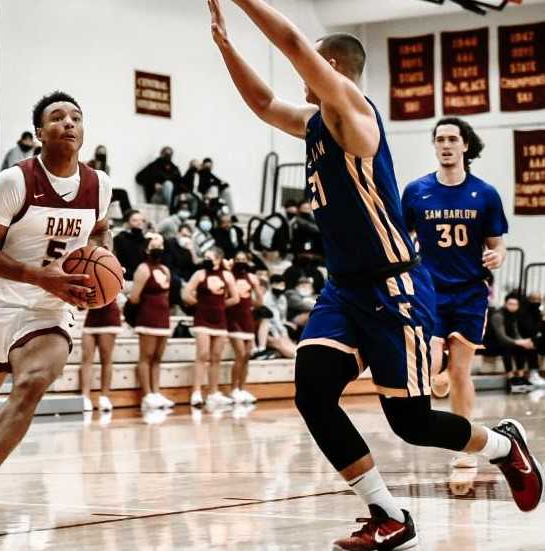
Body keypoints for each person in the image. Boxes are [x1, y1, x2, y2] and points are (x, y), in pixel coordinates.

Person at [208, 1, 542, 547]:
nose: (301, 74)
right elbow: (266, 103)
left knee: (411, 423)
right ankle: (388, 514)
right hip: (344, 289)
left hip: (394, 287)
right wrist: (226, 47)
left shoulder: (354, 113)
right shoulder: (316, 123)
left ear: (332, 69)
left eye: (312, 65)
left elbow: (292, 44)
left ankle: (505, 446)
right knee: (313, 392)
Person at [0, 91, 113, 522]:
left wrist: (100, 269)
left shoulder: (99, 185)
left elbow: (100, 236)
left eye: (76, 116)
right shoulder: (15, 181)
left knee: (33, 381)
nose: (68, 123)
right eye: (57, 118)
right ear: (39, 133)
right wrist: (38, 274)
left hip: (52, 309)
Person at [402, 117, 508, 469]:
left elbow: (498, 244)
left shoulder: (485, 193)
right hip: (429, 290)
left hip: (469, 292)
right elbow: (403, 239)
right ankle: (440, 375)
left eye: (452, 139)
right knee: (431, 371)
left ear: (465, 145)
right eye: (439, 139)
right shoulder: (416, 191)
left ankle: (466, 448)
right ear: (434, 146)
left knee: (461, 372)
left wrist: (496, 256)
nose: (445, 145)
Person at [183, 246, 239, 408]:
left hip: (220, 320)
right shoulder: (199, 274)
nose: (207, 260)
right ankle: (196, 392)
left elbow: (235, 298)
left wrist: (220, 306)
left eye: (211, 258)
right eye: (205, 257)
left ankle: (213, 392)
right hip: (202, 319)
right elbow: (186, 294)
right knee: (203, 354)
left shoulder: (227, 275)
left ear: (219, 259)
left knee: (216, 357)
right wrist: (202, 305)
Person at [129, 233, 174, 411]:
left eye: (160, 246)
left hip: (163, 317)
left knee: (157, 357)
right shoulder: (143, 268)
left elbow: (167, 295)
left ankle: (156, 392)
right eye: (154, 246)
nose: (158, 249)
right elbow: (134, 297)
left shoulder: (165, 270)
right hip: (147, 316)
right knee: (146, 357)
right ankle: (147, 395)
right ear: (147, 249)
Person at [227, 250, 263, 403]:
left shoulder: (251, 278)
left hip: (247, 318)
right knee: (240, 354)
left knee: (247, 355)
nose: (241, 262)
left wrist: (257, 288)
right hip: (233, 319)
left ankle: (242, 388)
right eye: (238, 259)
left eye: (243, 259)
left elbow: (259, 301)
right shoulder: (229, 276)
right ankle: (233, 389)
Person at [490, 293, 539, 394]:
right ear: (505, 303)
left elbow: (515, 332)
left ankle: (520, 376)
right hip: (493, 342)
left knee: (522, 347)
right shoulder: (498, 315)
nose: (513, 306)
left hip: (508, 341)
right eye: (510, 304)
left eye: (515, 304)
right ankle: (510, 377)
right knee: (506, 347)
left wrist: (524, 342)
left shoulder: (514, 316)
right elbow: (501, 337)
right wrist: (518, 342)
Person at [79, 297, 122, 412]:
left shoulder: (117, 278)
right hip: (92, 316)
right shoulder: (88, 279)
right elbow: (80, 307)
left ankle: (104, 397)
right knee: (86, 358)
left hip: (109, 315)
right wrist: (81, 301)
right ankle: (85, 397)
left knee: (106, 358)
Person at [257, 274, 297, 359]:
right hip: (268, 329)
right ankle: (295, 355)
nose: (279, 287)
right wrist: (280, 332)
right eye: (277, 284)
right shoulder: (266, 298)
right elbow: (269, 319)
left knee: (287, 337)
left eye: (281, 285)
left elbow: (282, 318)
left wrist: (286, 326)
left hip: (279, 327)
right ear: (271, 285)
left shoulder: (283, 298)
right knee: (279, 341)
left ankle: (297, 353)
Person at [113, 209, 147, 282]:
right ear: (127, 223)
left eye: (141, 220)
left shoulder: (145, 239)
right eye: (135, 220)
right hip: (127, 276)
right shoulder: (120, 239)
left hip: (142, 276)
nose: (139, 223)